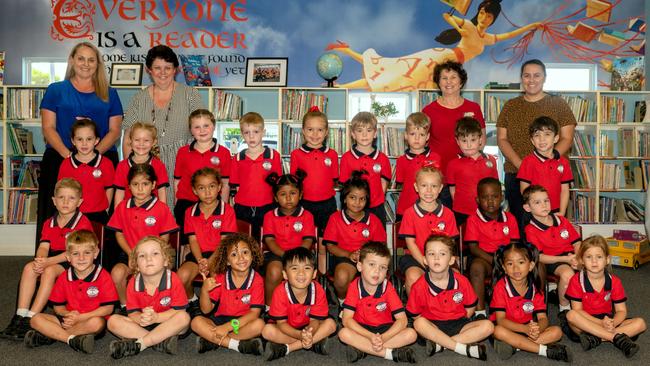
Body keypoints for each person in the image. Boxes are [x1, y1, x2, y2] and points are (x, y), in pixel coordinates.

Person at [326, 1, 542, 91]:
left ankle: (346, 55)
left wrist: (532, 25)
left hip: (449, 65)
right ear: (480, 13)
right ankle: (343, 86)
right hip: (440, 59)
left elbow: (511, 34)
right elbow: (448, 17)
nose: (485, 17)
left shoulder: (486, 37)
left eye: (490, 15)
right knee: (393, 73)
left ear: (493, 19)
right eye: (483, 13)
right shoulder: (467, 25)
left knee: (393, 73)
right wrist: (453, 21)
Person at [38, 41, 123, 244]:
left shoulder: (110, 93)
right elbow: (48, 127)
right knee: (58, 213)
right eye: (81, 58)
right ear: (72, 61)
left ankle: (103, 266)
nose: (86, 64)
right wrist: (71, 157)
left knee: (100, 215)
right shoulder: (56, 89)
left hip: (101, 159)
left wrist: (91, 156)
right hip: (61, 157)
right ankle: (50, 258)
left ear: (98, 64)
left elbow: (115, 130)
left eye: (91, 60)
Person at [0, 178, 93, 340]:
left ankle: (31, 317)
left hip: (75, 261)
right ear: (54, 201)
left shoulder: (82, 223)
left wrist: (48, 263)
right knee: (30, 268)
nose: (65, 202)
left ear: (79, 202)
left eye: (71, 198)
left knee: (49, 271)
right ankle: (19, 315)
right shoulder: (49, 222)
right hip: (53, 258)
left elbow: (74, 254)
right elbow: (44, 246)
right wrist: (40, 260)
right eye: (61, 198)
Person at [497, 59, 576, 229]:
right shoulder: (510, 106)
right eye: (527, 75)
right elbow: (502, 139)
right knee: (522, 227)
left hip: (552, 175)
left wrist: (548, 161)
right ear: (521, 78)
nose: (531, 80)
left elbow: (567, 137)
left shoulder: (559, 104)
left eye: (537, 75)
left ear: (545, 77)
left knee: (552, 225)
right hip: (516, 173)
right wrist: (523, 165)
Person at [123, 45, 205, 208]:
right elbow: (127, 139)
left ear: (176, 69)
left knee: (184, 215)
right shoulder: (139, 99)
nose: (163, 72)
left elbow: (203, 133)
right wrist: (135, 171)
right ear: (149, 70)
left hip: (183, 165)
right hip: (148, 165)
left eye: (168, 68)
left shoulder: (191, 94)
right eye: (157, 68)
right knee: (150, 216)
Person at [25, 230, 118, 354]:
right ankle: (71, 339)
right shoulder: (64, 276)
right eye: (75, 253)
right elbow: (58, 307)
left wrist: (80, 317)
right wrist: (67, 315)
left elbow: (108, 309)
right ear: (68, 257)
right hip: (68, 319)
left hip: (89, 319)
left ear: (95, 253)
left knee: (97, 323)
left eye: (87, 253)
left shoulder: (103, 276)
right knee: (35, 319)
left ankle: (52, 336)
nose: (81, 258)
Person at [407, 234, 493, 361]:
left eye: (442, 254)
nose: (436, 258)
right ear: (425, 260)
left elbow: (470, 307)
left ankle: (441, 345)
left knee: (489, 326)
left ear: (452, 260)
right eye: (431, 254)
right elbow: (415, 314)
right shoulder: (419, 286)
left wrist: (462, 319)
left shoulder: (462, 281)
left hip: (459, 324)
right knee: (419, 323)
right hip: (433, 326)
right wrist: (430, 326)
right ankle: (461, 348)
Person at [107, 164, 179, 309]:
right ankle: (126, 306)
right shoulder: (122, 207)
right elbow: (119, 234)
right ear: (129, 186)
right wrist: (131, 254)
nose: (140, 189)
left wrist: (148, 256)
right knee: (117, 274)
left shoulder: (161, 208)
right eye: (135, 184)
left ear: (153, 185)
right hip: (129, 252)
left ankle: (157, 306)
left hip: (156, 254)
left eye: (145, 184)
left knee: (152, 272)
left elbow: (164, 239)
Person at [107, 236, 191, 359]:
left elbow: (179, 311)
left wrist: (157, 317)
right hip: (144, 325)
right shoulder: (133, 283)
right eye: (142, 256)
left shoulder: (173, 279)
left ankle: (140, 344)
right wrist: (141, 318)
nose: (148, 258)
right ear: (136, 265)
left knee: (184, 318)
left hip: (168, 324)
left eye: (155, 253)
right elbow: (132, 313)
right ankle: (160, 342)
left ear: (166, 261)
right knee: (112, 321)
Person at [565, 235, 646, 358]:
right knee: (570, 315)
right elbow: (577, 311)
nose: (594, 261)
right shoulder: (576, 281)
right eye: (588, 257)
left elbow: (621, 311)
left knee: (641, 323)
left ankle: (597, 339)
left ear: (607, 259)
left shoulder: (615, 282)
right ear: (581, 260)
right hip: (586, 322)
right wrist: (600, 323)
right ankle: (616, 338)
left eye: (599, 257)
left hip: (608, 320)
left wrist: (612, 323)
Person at [338, 242, 417, 363]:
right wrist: (370, 337)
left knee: (411, 334)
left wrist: (383, 338)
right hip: (362, 330)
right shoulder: (354, 287)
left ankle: (363, 349)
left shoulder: (388, 287)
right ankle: (391, 354)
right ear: (360, 266)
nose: (377, 271)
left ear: (387, 271)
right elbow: (347, 320)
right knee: (343, 334)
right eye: (371, 264)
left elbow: (402, 320)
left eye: (383, 267)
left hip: (385, 330)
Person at [490, 242, 570, 362]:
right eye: (510, 264)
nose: (516, 268)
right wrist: (524, 329)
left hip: (528, 331)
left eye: (521, 262)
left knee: (557, 332)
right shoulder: (501, 287)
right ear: (504, 268)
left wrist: (537, 328)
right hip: (508, 328)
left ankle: (516, 346)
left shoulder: (535, 289)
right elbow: (500, 321)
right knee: (497, 331)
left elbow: (543, 318)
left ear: (531, 265)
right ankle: (544, 351)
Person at [422, 61, 486, 208]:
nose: (448, 82)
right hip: (439, 179)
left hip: (469, 178)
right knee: (441, 226)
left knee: (468, 223)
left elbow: (481, 141)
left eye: (453, 77)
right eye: (444, 78)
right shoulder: (428, 110)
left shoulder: (473, 108)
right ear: (438, 83)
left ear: (461, 81)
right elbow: (422, 144)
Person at [191, 233, 265, 355]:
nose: (241, 258)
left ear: (252, 255)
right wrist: (204, 290)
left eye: (245, 252)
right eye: (234, 255)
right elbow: (206, 310)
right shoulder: (220, 278)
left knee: (260, 325)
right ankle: (236, 345)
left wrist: (227, 328)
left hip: (242, 322)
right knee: (195, 322)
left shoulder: (257, 280)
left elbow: (254, 314)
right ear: (228, 262)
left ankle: (214, 340)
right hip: (220, 320)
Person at [177, 168, 237, 315]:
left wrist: (210, 262)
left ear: (219, 187)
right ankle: (192, 301)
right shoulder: (189, 212)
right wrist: (200, 261)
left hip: (221, 254)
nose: (208, 192)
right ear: (195, 191)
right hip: (198, 255)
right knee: (181, 277)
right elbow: (193, 240)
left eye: (211, 186)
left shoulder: (227, 210)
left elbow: (225, 243)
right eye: (202, 188)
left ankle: (215, 309)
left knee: (216, 279)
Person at [262, 247, 336, 361]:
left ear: (314, 274)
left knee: (331, 324)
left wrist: (308, 333)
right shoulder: (280, 291)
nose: (301, 273)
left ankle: (289, 348)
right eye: (294, 268)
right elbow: (281, 324)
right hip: (287, 328)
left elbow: (314, 320)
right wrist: (300, 335)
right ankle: (314, 343)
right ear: (285, 274)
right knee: (267, 331)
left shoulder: (318, 289)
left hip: (308, 327)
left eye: (307, 268)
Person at [323, 171, 387, 302]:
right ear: (344, 199)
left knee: (374, 275)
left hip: (369, 259)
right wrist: (349, 255)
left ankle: (367, 304)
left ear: (367, 200)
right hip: (344, 258)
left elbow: (381, 246)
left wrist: (366, 255)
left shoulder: (373, 220)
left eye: (362, 199)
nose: (357, 202)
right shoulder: (335, 218)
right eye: (353, 197)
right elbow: (330, 246)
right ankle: (344, 304)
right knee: (341, 278)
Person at [290, 107, 339, 273]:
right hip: (304, 204)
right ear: (303, 131)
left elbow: (333, 179)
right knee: (304, 242)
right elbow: (294, 183)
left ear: (326, 132)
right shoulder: (296, 154)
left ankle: (323, 276)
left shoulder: (331, 154)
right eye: (310, 129)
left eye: (320, 130)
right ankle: (302, 274)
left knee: (324, 243)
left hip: (327, 204)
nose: (315, 134)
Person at [173, 109, 231, 243]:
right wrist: (177, 206)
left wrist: (223, 206)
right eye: (197, 127)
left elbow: (225, 183)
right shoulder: (183, 152)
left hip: (212, 204)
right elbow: (177, 182)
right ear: (191, 130)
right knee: (186, 242)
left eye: (206, 125)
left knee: (210, 241)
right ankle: (184, 263)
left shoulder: (224, 153)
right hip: (186, 203)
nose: (202, 130)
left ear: (214, 127)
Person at [398, 166, 458, 294]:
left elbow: (451, 244)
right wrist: (427, 264)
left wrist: (441, 262)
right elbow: (410, 243)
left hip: (442, 258)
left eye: (434, 186)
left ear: (440, 188)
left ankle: (445, 310)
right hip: (415, 258)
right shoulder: (409, 213)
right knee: (413, 276)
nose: (429, 190)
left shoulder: (448, 214)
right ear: (416, 187)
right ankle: (416, 312)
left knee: (456, 276)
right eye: (424, 185)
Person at [465, 177, 519, 317]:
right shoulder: (473, 220)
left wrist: (505, 262)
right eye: (485, 197)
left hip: (506, 258)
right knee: (476, 268)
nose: (490, 201)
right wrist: (494, 261)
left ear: (501, 198)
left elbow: (514, 245)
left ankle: (517, 308)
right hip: (482, 257)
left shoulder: (510, 218)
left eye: (494, 196)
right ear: (477, 200)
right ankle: (480, 312)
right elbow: (473, 248)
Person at [523, 185, 581, 315]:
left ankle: (593, 303)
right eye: (537, 202)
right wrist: (566, 259)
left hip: (571, 256)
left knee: (595, 265)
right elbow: (540, 257)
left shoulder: (562, 220)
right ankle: (564, 309)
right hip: (552, 260)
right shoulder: (531, 230)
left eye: (546, 200)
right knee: (567, 274)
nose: (544, 205)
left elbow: (577, 242)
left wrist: (578, 257)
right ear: (528, 208)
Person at [262, 171, 316, 305]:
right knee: (274, 271)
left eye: (292, 193)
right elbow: (270, 241)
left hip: (301, 255)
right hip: (277, 254)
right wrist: (285, 255)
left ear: (300, 194)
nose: (288, 198)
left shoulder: (307, 215)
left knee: (301, 271)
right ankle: (269, 308)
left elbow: (308, 240)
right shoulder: (269, 216)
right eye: (282, 194)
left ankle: (303, 307)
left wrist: (295, 257)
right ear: (275, 197)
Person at [230, 112, 283, 237]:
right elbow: (236, 187)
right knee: (244, 241)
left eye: (256, 132)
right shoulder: (237, 158)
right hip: (243, 208)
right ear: (242, 134)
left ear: (263, 132)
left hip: (267, 206)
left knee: (266, 241)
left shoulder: (273, 155)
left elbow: (278, 185)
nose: (251, 137)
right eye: (247, 133)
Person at [57, 119, 115, 224]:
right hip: (73, 214)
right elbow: (61, 190)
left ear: (96, 141)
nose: (84, 143)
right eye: (79, 139)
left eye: (89, 139)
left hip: (99, 215)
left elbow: (109, 188)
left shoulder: (106, 163)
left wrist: (106, 209)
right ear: (73, 141)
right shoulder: (66, 164)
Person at [339, 112, 391, 225]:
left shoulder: (383, 159)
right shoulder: (346, 158)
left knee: (378, 240)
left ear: (375, 133)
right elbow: (345, 186)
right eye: (359, 131)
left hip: (376, 208)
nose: (364, 135)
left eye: (368, 130)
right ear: (353, 134)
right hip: (353, 209)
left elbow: (384, 184)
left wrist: (376, 201)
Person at [446, 117, 498, 226]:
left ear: (480, 139)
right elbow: (452, 190)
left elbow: (495, 187)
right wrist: (461, 205)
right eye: (464, 141)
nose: (468, 145)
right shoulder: (453, 164)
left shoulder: (491, 160)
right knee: (462, 240)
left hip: (486, 211)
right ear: (457, 141)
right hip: (461, 212)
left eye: (473, 140)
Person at [517, 116, 573, 216]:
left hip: (557, 212)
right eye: (537, 135)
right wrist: (535, 209)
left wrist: (562, 212)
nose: (542, 139)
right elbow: (524, 190)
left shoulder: (563, 163)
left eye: (547, 134)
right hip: (535, 213)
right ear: (532, 141)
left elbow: (565, 190)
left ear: (556, 138)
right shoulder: (528, 161)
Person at [394, 112, 441, 221]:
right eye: (412, 134)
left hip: (430, 209)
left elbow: (438, 184)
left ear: (427, 136)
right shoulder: (401, 161)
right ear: (406, 135)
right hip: (405, 209)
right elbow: (400, 184)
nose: (416, 138)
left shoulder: (435, 158)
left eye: (421, 135)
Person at [113, 122, 169, 208]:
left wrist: (163, 213)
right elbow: (119, 193)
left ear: (154, 142)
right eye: (137, 140)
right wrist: (117, 215)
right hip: (128, 213)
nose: (141, 144)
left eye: (146, 140)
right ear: (130, 141)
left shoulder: (159, 165)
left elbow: (162, 192)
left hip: (152, 214)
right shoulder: (122, 166)